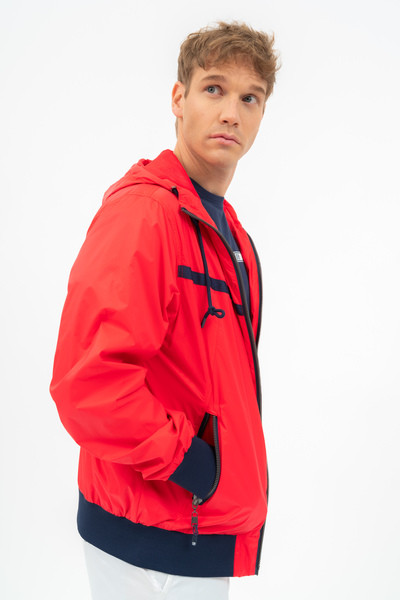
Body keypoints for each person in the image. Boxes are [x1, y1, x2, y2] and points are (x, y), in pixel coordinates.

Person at [50, 21, 279, 600]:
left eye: (249, 98)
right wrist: (193, 466)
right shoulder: (144, 215)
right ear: (179, 98)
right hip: (145, 533)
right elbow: (90, 383)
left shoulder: (233, 237)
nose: (230, 113)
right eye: (213, 89)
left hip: (201, 530)